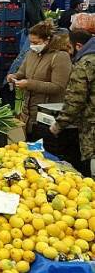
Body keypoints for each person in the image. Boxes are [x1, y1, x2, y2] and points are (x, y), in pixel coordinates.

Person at [6, 21, 72, 139]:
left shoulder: (60, 57)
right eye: (30, 42)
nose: (32, 45)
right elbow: (22, 72)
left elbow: (58, 87)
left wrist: (29, 84)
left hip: (46, 116)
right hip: (28, 114)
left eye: (36, 42)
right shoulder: (31, 53)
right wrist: (14, 76)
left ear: (47, 40)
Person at [50, 30, 94, 176]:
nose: (68, 53)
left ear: (79, 46)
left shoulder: (85, 64)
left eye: (69, 48)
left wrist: (59, 124)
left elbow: (75, 99)